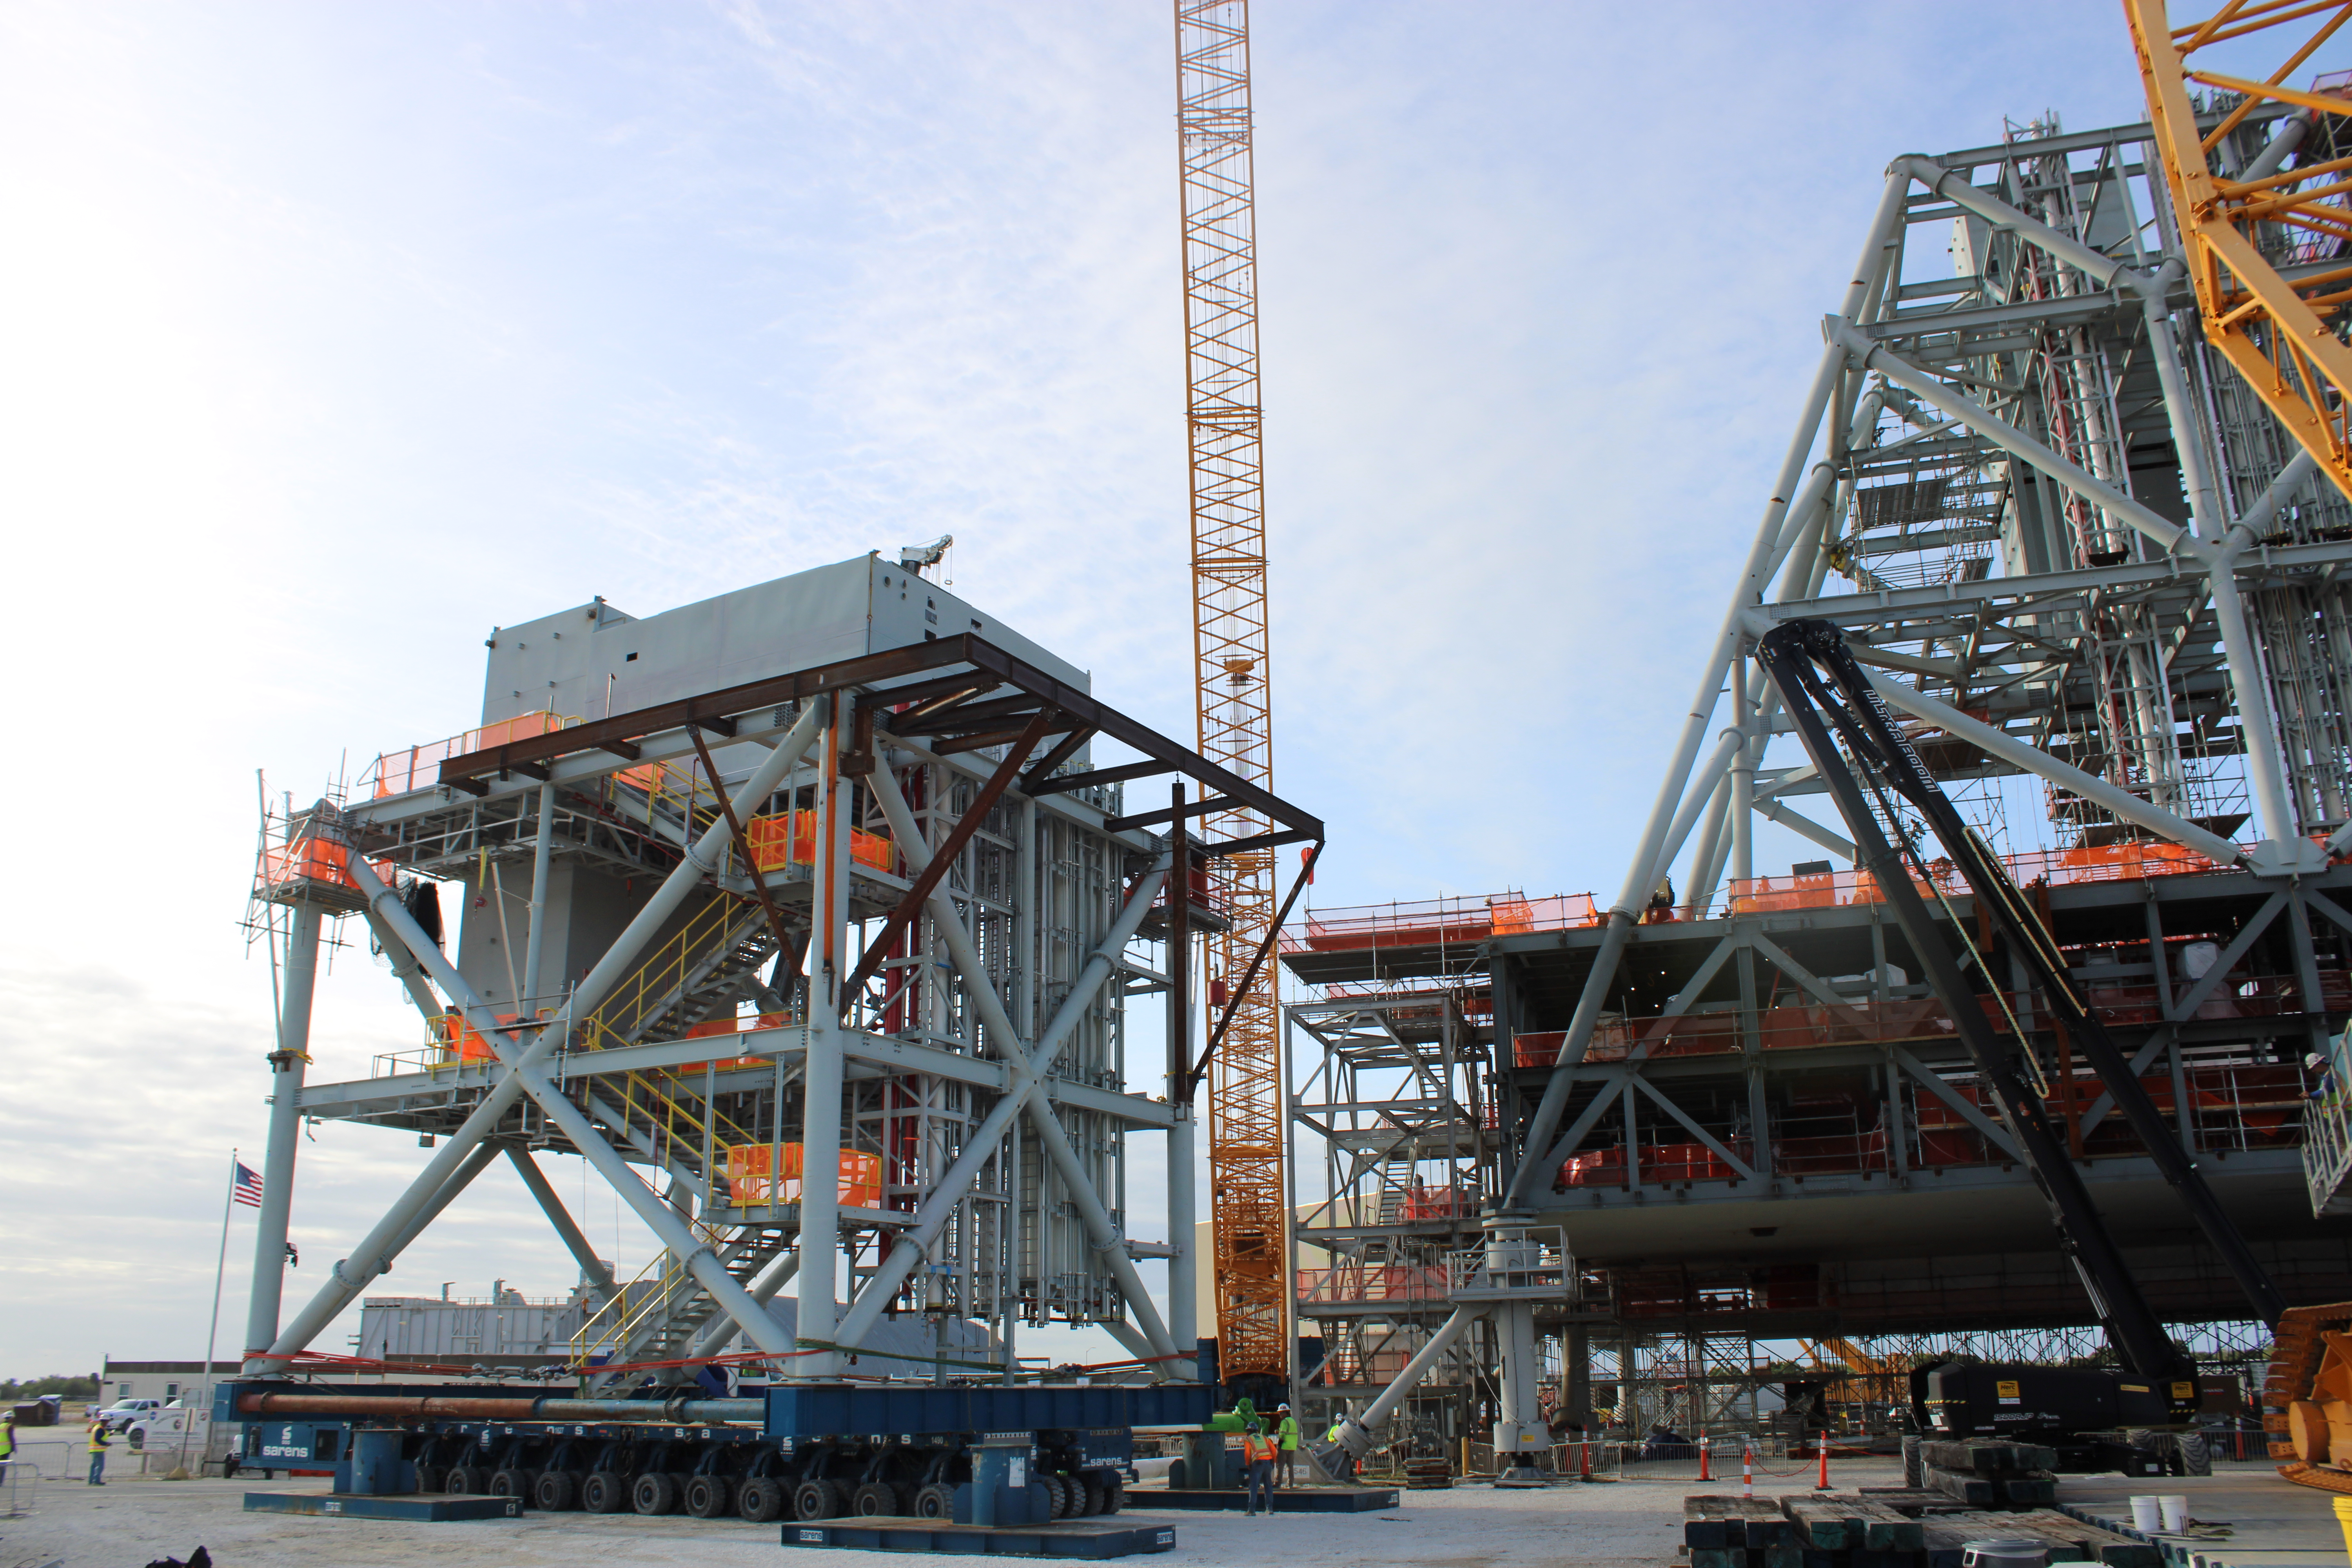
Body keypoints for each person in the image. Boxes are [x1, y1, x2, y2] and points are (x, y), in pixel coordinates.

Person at [1241, 1422, 1278, 1517]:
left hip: (1258, 1463)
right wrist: (1274, 1461)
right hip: (1268, 1463)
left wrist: (1248, 1464)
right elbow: (1274, 1450)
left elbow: (1248, 1454)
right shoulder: (1265, 1438)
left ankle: (1252, 1510)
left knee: (1254, 1486)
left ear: (1249, 1431)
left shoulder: (1249, 1439)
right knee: (1268, 1486)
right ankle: (1270, 1509)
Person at [1274, 1403, 1301, 1487]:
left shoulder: (1284, 1422)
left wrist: (1279, 1446)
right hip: (1292, 1447)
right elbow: (1290, 1432)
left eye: (1282, 1413)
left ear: (1286, 1413)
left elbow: (1283, 1435)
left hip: (1284, 1446)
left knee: (1280, 1466)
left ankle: (1278, 1483)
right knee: (1290, 1466)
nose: (1280, 1415)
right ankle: (1291, 1484)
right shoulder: (1293, 1421)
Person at [87, 1413, 114, 1485]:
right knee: (100, 1466)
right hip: (98, 1450)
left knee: (94, 1466)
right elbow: (98, 1439)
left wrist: (109, 1435)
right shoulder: (100, 1429)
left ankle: (91, 1481)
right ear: (105, 1421)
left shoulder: (97, 1427)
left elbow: (101, 1437)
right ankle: (97, 1481)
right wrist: (106, 1444)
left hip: (94, 1450)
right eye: (108, 1421)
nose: (108, 1423)